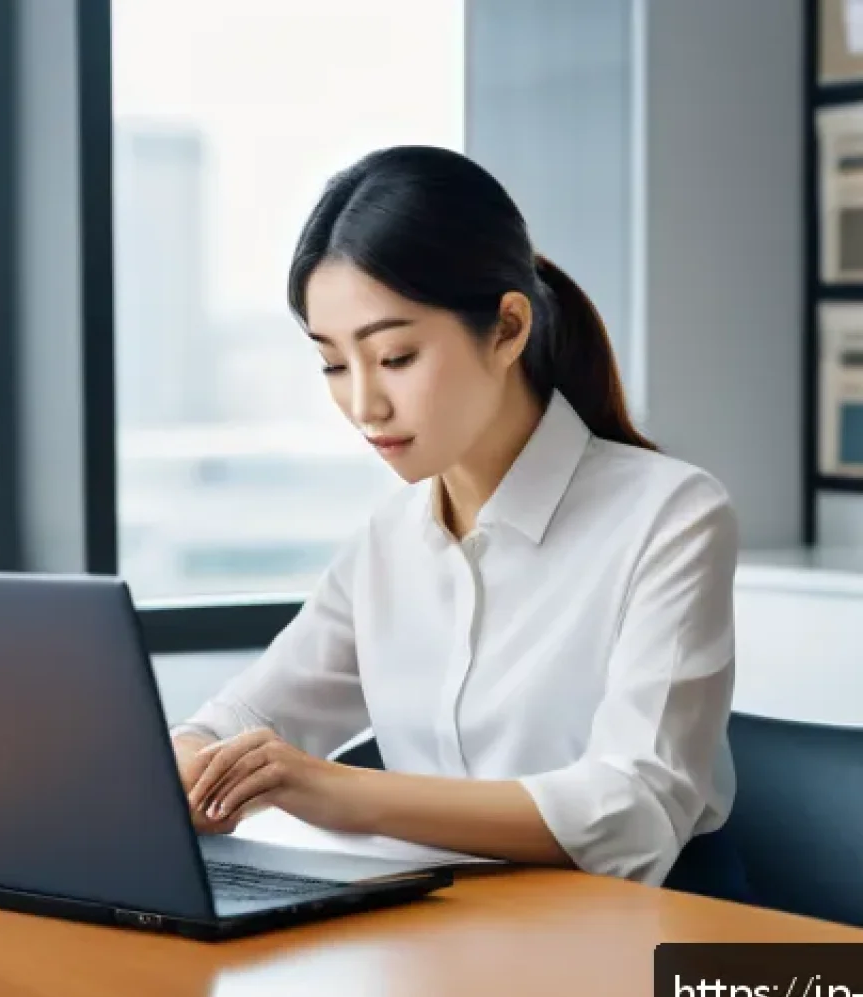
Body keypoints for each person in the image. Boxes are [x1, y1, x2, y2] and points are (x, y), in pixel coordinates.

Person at [171, 144, 742, 891]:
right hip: (433, 938)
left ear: (508, 329)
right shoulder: (389, 540)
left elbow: (634, 808)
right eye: (335, 365)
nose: (363, 405)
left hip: (617, 946)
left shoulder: (671, 516)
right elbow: (243, 716)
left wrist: (333, 790)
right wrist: (186, 764)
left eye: (396, 356)